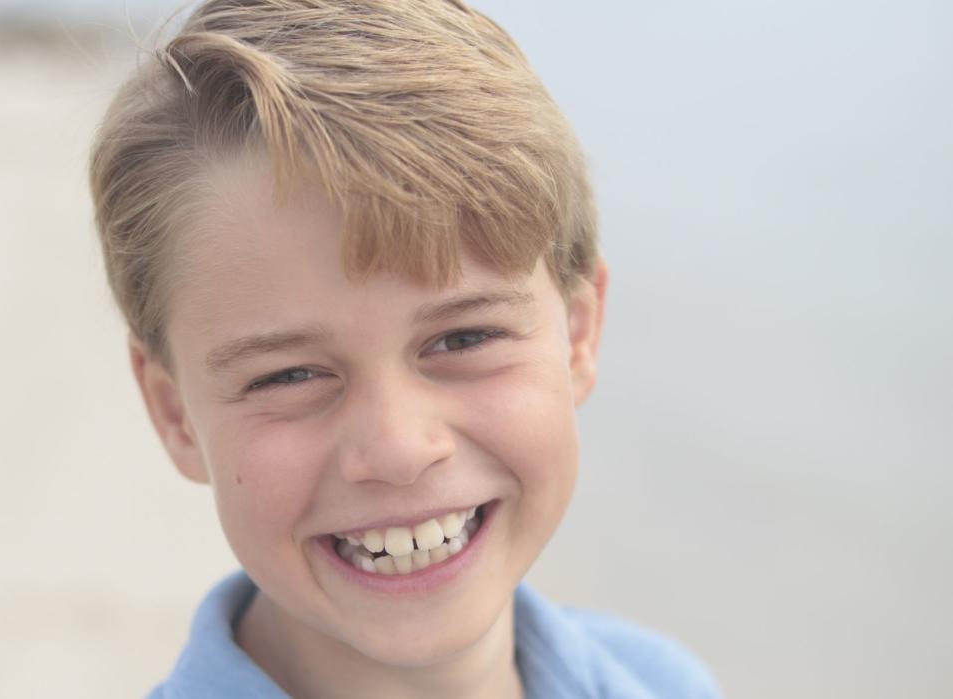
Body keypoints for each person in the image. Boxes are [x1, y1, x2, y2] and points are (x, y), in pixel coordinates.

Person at [89, 1, 722, 696]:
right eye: (289, 374)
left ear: (577, 333)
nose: (397, 448)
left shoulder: (664, 680)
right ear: (174, 413)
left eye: (463, 337)